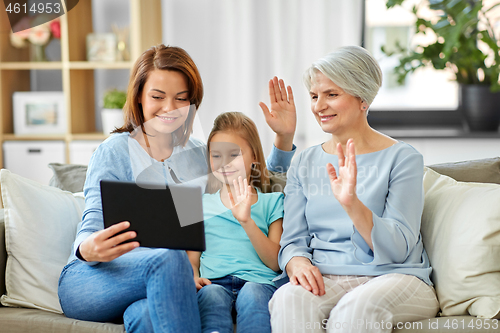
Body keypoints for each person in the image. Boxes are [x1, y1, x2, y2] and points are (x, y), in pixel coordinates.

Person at [58, 44, 296, 333]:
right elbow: (92, 220)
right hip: (95, 277)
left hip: (162, 285)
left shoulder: (197, 155)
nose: (169, 108)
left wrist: (283, 139)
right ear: (139, 97)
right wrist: (88, 248)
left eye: (181, 99)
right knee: (169, 259)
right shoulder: (115, 151)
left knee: (147, 317)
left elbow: (250, 175)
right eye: (157, 97)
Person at [268, 46, 439, 333]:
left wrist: (352, 205)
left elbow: (399, 249)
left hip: (395, 276)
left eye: (331, 94)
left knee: (355, 310)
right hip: (329, 277)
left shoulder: (402, 158)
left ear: (363, 98)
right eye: (314, 96)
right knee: (288, 298)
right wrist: (296, 262)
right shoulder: (305, 161)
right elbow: (293, 240)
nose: (318, 106)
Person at [188, 112, 284, 333]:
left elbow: (275, 263)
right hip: (213, 283)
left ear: (254, 157)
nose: (224, 164)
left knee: (252, 294)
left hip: (258, 283)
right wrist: (193, 276)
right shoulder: (198, 203)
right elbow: (192, 259)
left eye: (234, 154)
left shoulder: (272, 201)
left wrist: (247, 221)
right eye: (216, 156)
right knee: (211, 296)